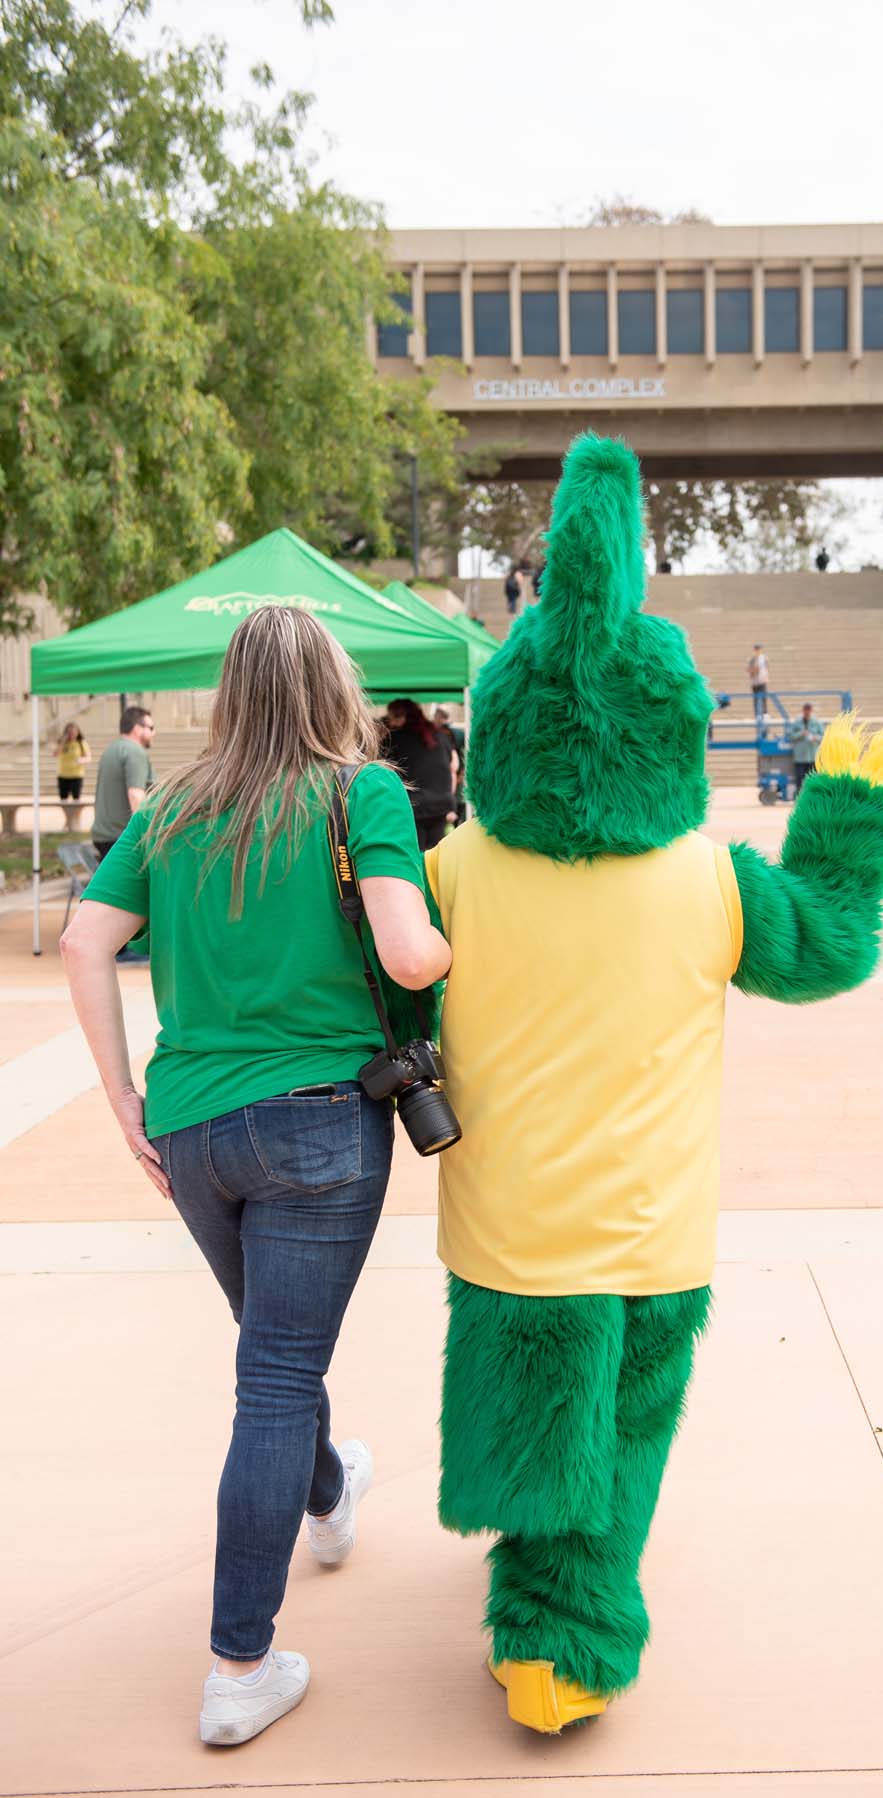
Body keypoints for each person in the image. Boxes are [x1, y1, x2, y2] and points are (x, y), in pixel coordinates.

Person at [431, 433, 883, 1736]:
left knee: (537, 1404)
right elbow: (829, 943)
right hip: (652, 1230)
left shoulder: (454, 871)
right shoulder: (709, 878)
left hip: (504, 1222)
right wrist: (849, 815)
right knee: (625, 1430)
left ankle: (534, 1578)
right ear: (673, 730)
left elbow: (372, 981)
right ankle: (564, 1636)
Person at [60, 606, 451, 1748]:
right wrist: (462, 940)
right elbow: (409, 952)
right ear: (334, 684)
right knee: (277, 1374)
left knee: (275, 1351)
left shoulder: (175, 805)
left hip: (191, 1130)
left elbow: (87, 943)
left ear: (230, 689)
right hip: (322, 1122)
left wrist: (122, 1096)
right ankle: (240, 1663)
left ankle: (328, 1492)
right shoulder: (360, 792)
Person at [380, 697, 456, 852]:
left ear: (401, 717)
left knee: (415, 855)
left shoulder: (395, 739)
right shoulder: (441, 736)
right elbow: (453, 767)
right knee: (437, 855)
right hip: (441, 803)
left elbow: (382, 770)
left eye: (392, 717)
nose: (390, 723)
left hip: (413, 805)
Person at [92, 706, 154, 861]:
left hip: (104, 836)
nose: (154, 733)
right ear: (137, 729)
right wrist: (144, 837)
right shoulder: (134, 752)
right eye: (151, 728)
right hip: (123, 838)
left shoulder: (112, 749)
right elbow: (135, 795)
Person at [433, 705, 467, 825]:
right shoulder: (441, 734)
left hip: (454, 779)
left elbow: (458, 762)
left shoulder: (456, 734)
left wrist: (461, 773)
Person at [788, 702, 824, 793]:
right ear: (803, 711)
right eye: (806, 710)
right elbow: (790, 735)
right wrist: (801, 733)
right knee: (799, 779)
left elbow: (823, 736)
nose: (807, 712)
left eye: (809, 710)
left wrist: (816, 737)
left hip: (812, 756)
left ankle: (813, 797)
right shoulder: (797, 722)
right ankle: (799, 797)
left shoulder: (817, 722)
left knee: (814, 778)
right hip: (800, 757)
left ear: (811, 711)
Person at [56, 721, 91, 802]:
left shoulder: (81, 743)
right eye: (69, 732)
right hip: (63, 775)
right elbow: (56, 754)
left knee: (76, 800)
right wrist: (63, 741)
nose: (72, 734)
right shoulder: (62, 743)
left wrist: (81, 760)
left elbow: (88, 757)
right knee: (63, 799)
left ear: (78, 732)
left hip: (76, 775)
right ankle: (68, 814)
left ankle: (75, 814)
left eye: (74, 732)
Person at [747, 643, 770, 726]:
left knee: (764, 698)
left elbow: (766, 668)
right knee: (756, 699)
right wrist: (754, 669)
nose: (757, 650)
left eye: (759, 649)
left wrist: (766, 676)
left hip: (762, 681)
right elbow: (749, 670)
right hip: (755, 682)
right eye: (756, 649)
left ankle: (765, 713)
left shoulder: (764, 658)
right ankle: (757, 714)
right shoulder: (752, 659)